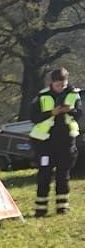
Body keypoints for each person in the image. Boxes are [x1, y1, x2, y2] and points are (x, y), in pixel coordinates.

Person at [30, 67, 81, 218]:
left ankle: (62, 207)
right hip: (45, 142)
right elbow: (34, 117)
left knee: (63, 175)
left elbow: (79, 114)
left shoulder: (73, 94)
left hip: (66, 141)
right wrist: (51, 113)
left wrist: (70, 110)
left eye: (63, 85)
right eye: (58, 85)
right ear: (52, 83)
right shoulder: (42, 96)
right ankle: (41, 209)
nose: (61, 88)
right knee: (44, 175)